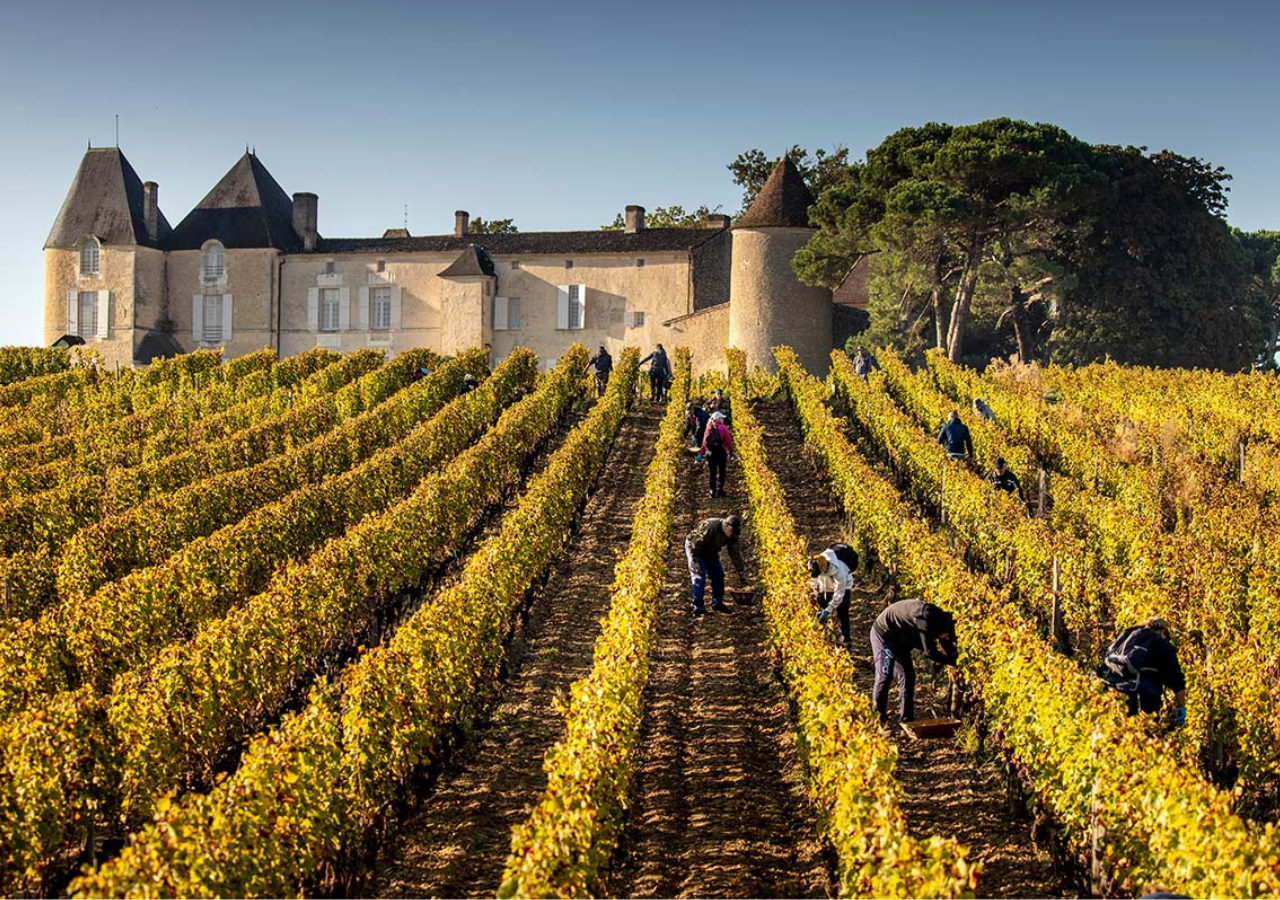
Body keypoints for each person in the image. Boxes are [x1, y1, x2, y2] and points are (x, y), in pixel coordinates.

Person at [870, 598, 959, 724]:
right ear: (943, 630)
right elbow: (930, 653)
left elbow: (946, 643)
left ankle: (907, 720)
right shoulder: (925, 621)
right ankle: (877, 721)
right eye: (947, 635)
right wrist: (951, 662)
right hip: (885, 635)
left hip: (901, 638)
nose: (947, 638)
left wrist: (956, 659)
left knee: (908, 676)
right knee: (885, 675)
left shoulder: (942, 619)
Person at [1095, 617, 1187, 724]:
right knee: (1145, 737)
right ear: (1163, 632)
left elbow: (1102, 669)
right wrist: (1181, 708)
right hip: (1145, 698)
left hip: (1114, 695)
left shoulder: (1125, 640)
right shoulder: (1162, 645)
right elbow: (1177, 682)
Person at [685, 514, 746, 614]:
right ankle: (698, 607)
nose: (732, 535)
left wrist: (741, 571)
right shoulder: (710, 527)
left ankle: (717, 603)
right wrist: (694, 560)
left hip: (711, 551)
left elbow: (735, 554)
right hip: (696, 549)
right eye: (732, 532)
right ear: (726, 526)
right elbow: (695, 544)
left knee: (718, 574)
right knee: (699, 576)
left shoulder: (732, 535)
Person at [808, 543, 859, 650]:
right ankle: (825, 636)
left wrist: (829, 609)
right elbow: (815, 580)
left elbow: (839, 593)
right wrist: (814, 591)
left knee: (842, 613)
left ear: (823, 569)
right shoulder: (819, 562)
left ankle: (846, 641)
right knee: (821, 603)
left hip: (844, 588)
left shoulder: (839, 570)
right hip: (826, 588)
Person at [701, 411, 735, 498]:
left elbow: (704, 442)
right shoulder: (722, 428)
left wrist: (701, 453)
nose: (723, 419)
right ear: (718, 419)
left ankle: (712, 490)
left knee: (712, 472)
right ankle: (720, 490)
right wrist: (731, 451)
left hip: (710, 454)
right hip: (720, 453)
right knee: (722, 471)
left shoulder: (708, 427)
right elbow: (728, 441)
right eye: (722, 418)